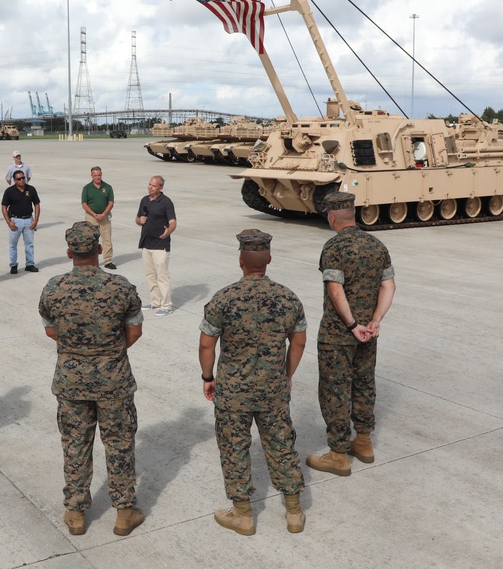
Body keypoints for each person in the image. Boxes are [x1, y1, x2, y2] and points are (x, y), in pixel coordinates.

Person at [38, 221, 145, 537]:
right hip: (114, 381)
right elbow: (135, 331)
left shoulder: (54, 288)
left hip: (72, 381)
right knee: (119, 443)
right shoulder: (121, 287)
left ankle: (75, 512)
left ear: (69, 252)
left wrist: (78, 349)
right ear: (99, 250)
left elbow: (50, 329)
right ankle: (124, 512)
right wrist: (107, 352)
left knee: (74, 443)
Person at [199, 229, 307, 536]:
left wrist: (208, 378)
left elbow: (207, 345)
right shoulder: (288, 298)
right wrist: (286, 375)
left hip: (233, 390)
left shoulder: (224, 298)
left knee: (234, 447)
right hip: (273, 387)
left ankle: (243, 515)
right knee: (281, 445)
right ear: (269, 260)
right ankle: (294, 512)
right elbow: (298, 343)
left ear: (240, 261)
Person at [306, 191, 396, 477]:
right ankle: (364, 441)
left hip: (339, 335)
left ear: (332, 217)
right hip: (368, 334)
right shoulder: (376, 245)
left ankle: (338, 454)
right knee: (364, 383)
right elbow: (389, 286)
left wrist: (351, 324)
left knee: (335, 389)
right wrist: (374, 321)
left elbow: (335, 289)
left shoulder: (334, 247)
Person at [135, 175, 177, 317]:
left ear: (161, 187)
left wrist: (168, 232)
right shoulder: (144, 200)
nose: (150, 187)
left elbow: (173, 222)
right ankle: (155, 302)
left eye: (153, 185)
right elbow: (137, 218)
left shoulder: (166, 202)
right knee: (150, 275)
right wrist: (140, 220)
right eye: (149, 184)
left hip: (160, 244)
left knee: (162, 276)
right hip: (146, 243)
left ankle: (166, 305)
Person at [0, 169, 40, 274]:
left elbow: (37, 204)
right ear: (14, 180)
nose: (22, 180)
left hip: (28, 220)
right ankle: (13, 265)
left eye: (23, 178)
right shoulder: (9, 191)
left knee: (29, 244)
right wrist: (9, 222)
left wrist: (35, 220)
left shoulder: (31, 189)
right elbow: (4, 207)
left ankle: (30, 264)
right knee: (13, 245)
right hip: (15, 221)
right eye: (19, 179)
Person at [81, 166, 116, 270]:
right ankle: (91, 260)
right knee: (91, 239)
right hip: (91, 217)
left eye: (99, 175)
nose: (97, 177)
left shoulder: (108, 187)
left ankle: (108, 260)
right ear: (91, 176)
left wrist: (103, 214)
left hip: (104, 217)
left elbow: (111, 203)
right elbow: (84, 204)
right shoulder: (87, 188)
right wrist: (94, 214)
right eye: (95, 175)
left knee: (107, 239)